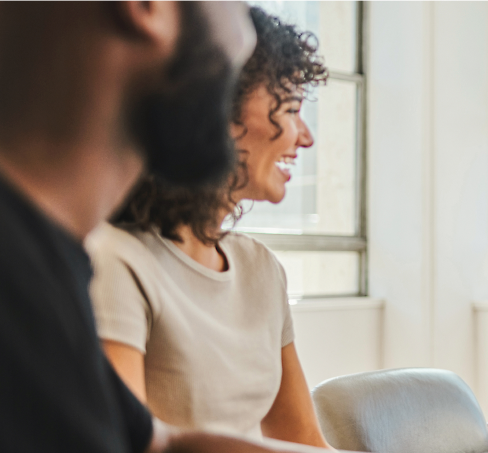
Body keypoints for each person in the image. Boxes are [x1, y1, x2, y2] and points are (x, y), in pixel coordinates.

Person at [0, 0, 320, 451]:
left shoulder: (49, 266)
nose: (245, 39)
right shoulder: (32, 275)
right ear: (148, 6)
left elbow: (162, 443)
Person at [87, 6, 332, 449]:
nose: (305, 136)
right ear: (221, 106)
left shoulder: (261, 268)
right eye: (291, 107)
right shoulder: (115, 260)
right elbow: (129, 444)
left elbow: (304, 439)